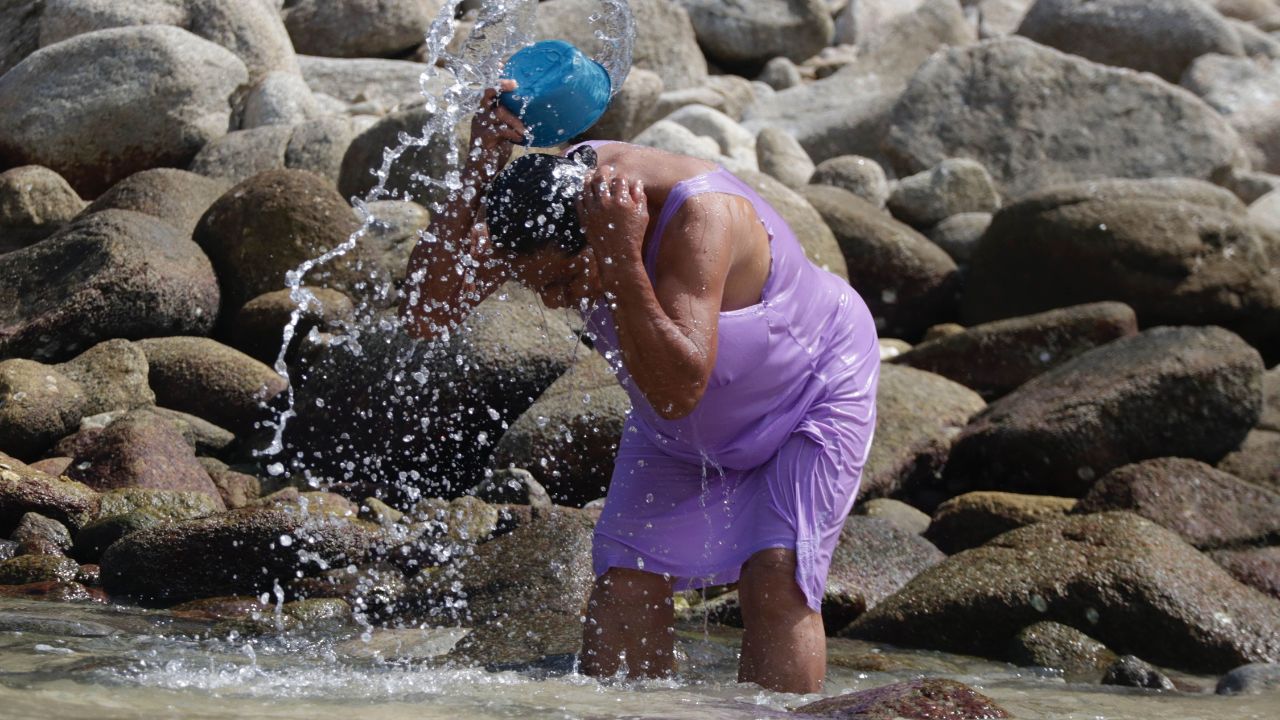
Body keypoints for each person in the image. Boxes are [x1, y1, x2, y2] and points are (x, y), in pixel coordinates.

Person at [401, 83, 880, 694]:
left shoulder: (699, 216)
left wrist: (624, 257)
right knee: (626, 581)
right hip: (677, 421)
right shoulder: (552, 205)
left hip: (809, 391)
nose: (552, 299)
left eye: (561, 281)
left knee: (776, 578)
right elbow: (425, 314)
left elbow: (679, 388)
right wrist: (475, 178)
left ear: (595, 233)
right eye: (537, 287)